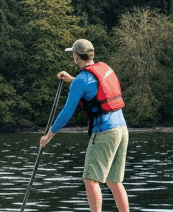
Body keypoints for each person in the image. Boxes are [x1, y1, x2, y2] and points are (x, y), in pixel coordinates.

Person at [40, 39, 129, 212]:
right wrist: (72, 80)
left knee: (90, 179)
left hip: (105, 132)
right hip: (122, 129)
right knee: (114, 180)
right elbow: (93, 88)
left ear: (76, 57)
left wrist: (48, 136)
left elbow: (67, 112)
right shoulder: (104, 70)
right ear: (91, 55)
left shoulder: (81, 80)